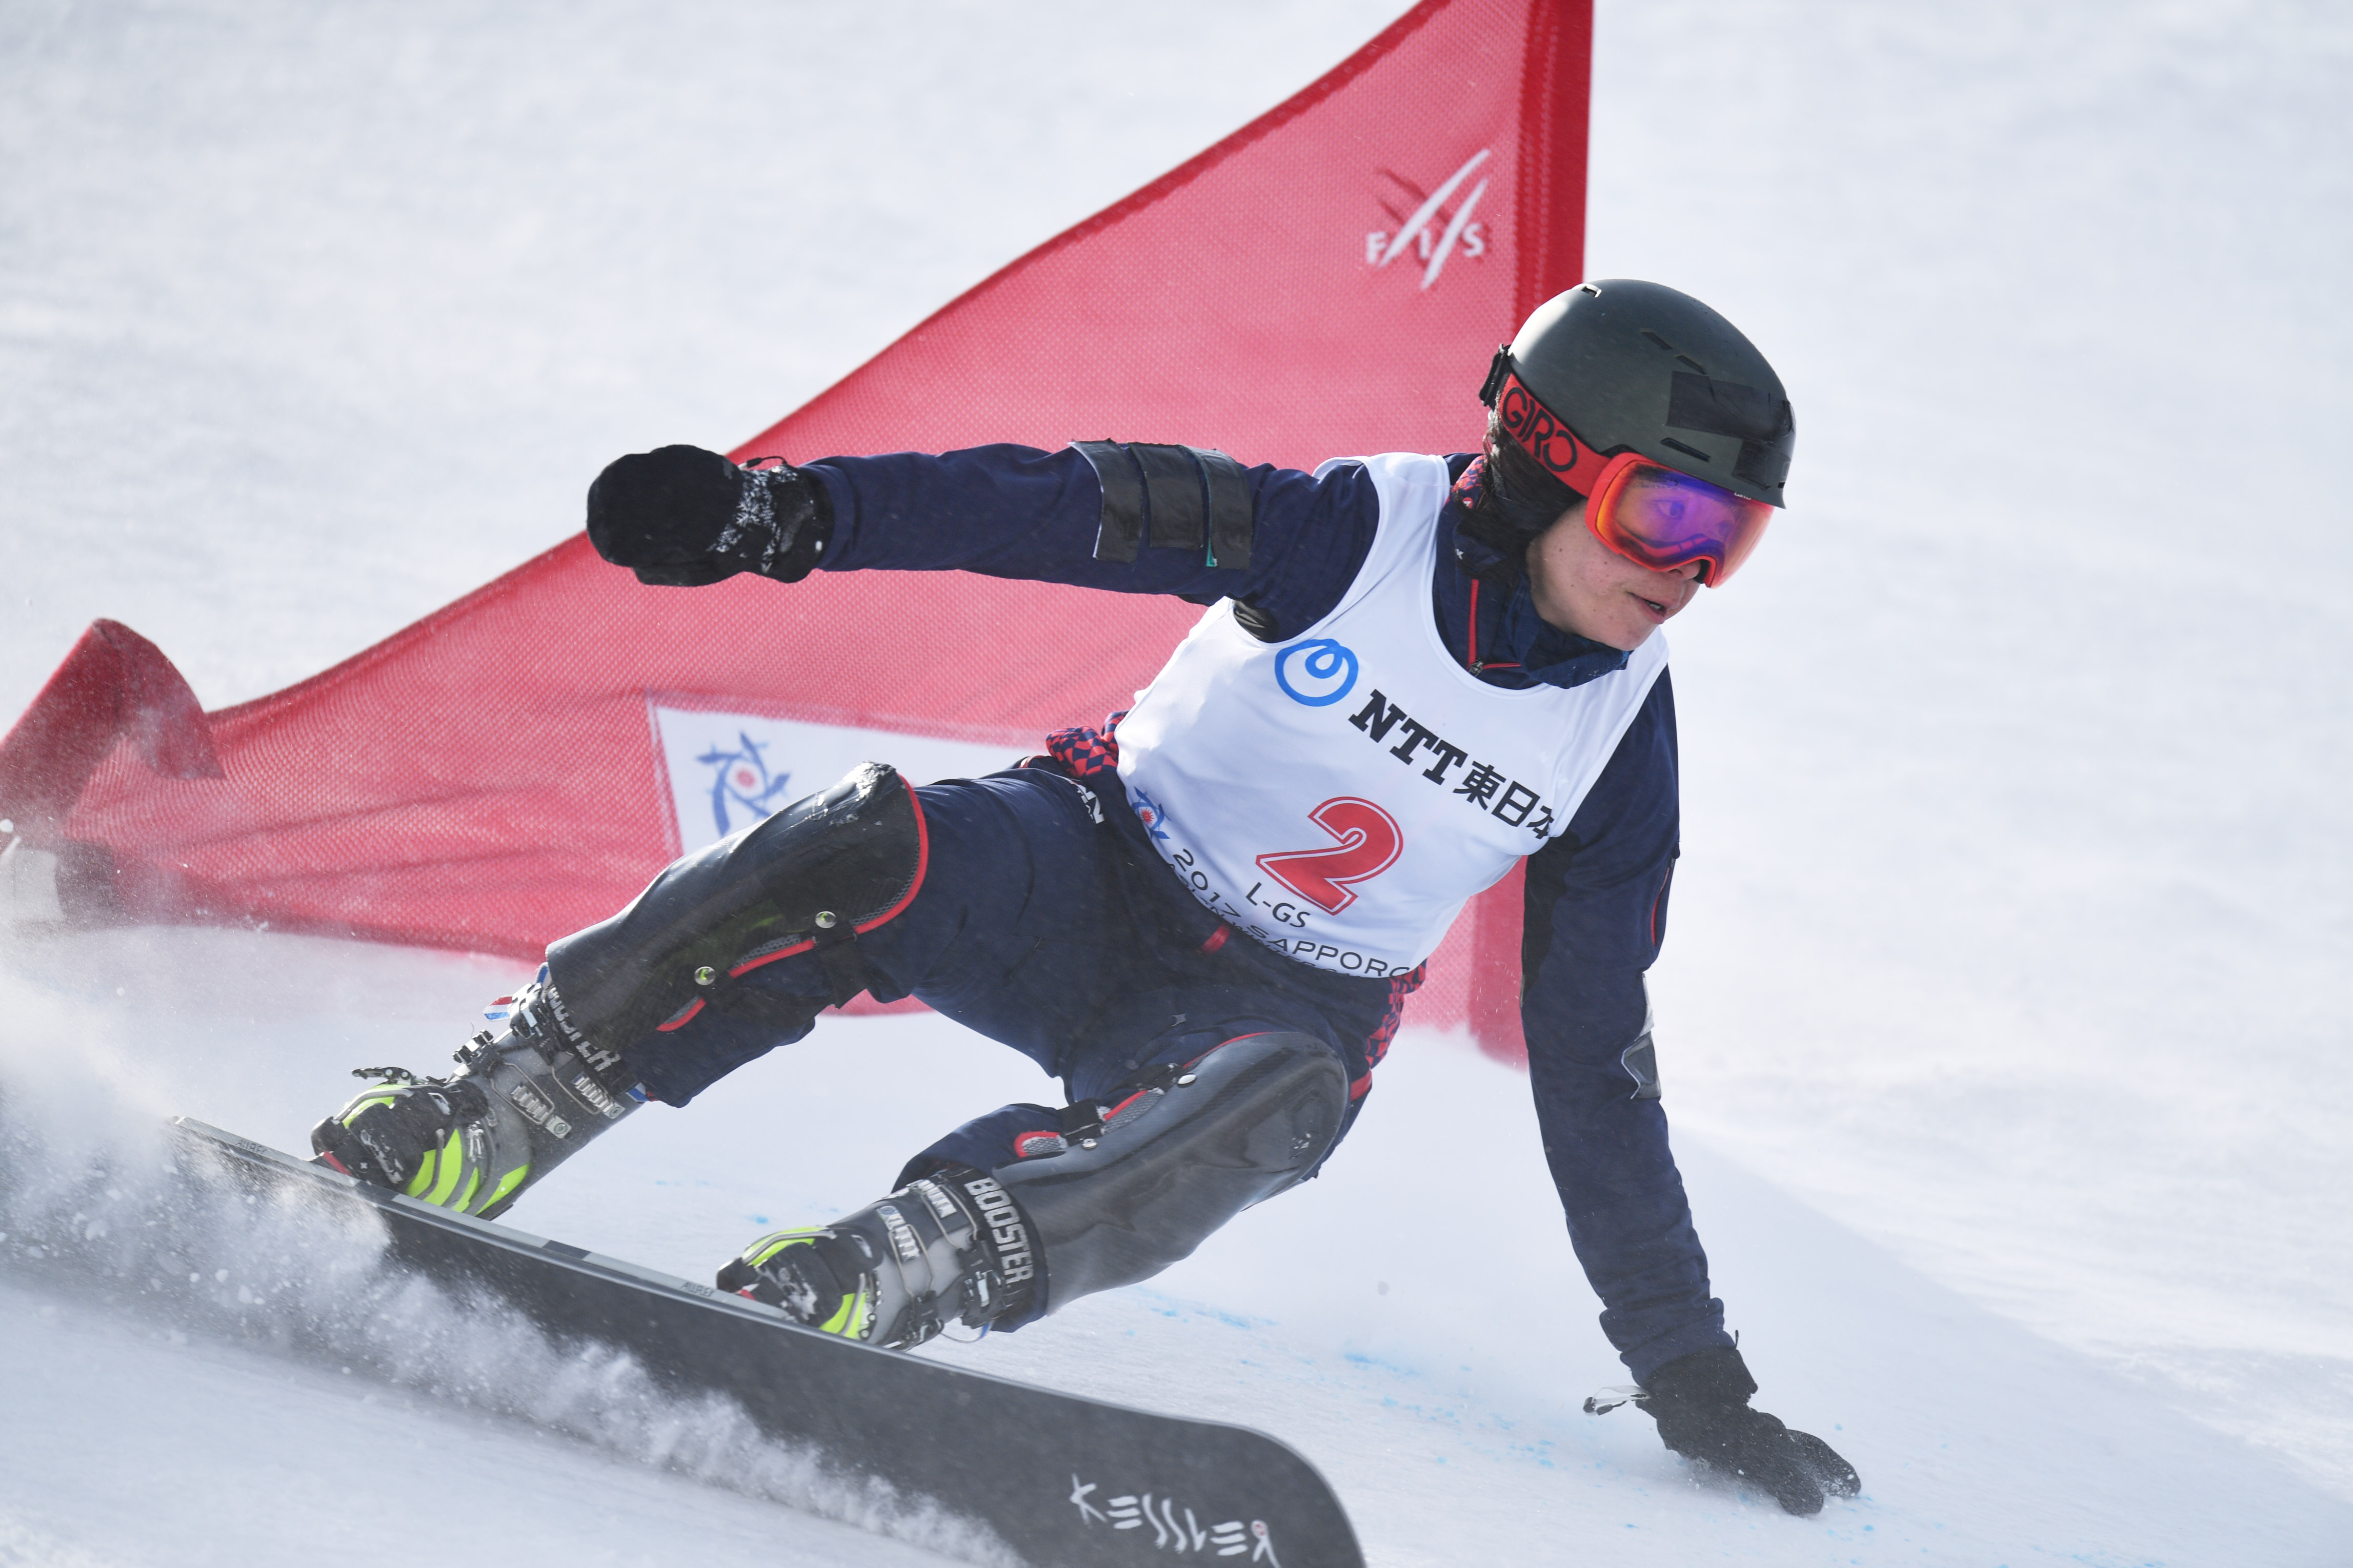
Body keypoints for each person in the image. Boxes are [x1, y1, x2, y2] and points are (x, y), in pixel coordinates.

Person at [311, 279, 1860, 1515]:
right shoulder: (1347, 535)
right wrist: (788, 516)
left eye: (1736, 540)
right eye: (1670, 514)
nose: (1692, 573)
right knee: (860, 837)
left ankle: (907, 1257)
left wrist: (1691, 1378)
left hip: (1269, 1012)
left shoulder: (1619, 740)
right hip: (1083, 863)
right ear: (1546, 459)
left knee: (1277, 1098)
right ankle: (499, 1106)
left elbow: (1593, 1053)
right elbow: (1051, 505)